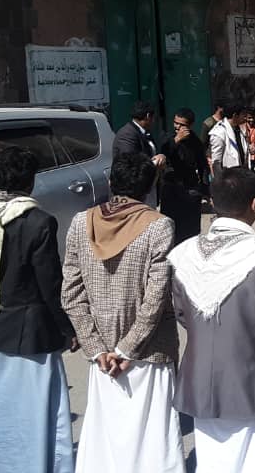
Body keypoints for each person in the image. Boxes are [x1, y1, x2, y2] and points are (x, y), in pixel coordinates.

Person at [169, 168, 255, 473]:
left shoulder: (182, 255)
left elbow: (182, 314)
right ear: (254, 204)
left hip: (200, 380)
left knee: (213, 460)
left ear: (213, 201)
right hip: (254, 381)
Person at [61, 153, 184, 473]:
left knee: (106, 438)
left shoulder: (80, 223)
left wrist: (97, 348)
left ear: (110, 181)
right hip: (149, 350)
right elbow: (156, 298)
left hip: (103, 356)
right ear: (150, 187)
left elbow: (71, 295)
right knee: (154, 439)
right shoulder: (159, 226)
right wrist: (127, 349)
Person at [0, 146, 78, 472]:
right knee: (40, 416)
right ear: (29, 180)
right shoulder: (37, 221)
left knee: (1, 415)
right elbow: (50, 285)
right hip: (32, 335)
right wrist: (68, 328)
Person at [160, 108, 209, 243]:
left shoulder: (195, 142)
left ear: (190, 125)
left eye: (182, 125)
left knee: (190, 231)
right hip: (172, 190)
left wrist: (205, 189)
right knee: (170, 231)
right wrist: (176, 140)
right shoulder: (168, 138)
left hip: (190, 191)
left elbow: (203, 166)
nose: (177, 127)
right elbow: (164, 153)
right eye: (175, 123)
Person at [114, 100, 167, 206]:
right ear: (148, 116)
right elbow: (131, 163)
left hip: (146, 187)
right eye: (153, 118)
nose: (153, 121)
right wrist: (156, 161)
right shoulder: (128, 134)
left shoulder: (144, 132)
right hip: (132, 192)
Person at [208, 103, 250, 179]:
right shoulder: (219, 133)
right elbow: (216, 163)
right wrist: (220, 182)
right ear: (235, 115)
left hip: (241, 176)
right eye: (243, 114)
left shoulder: (238, 129)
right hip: (228, 179)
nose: (245, 117)